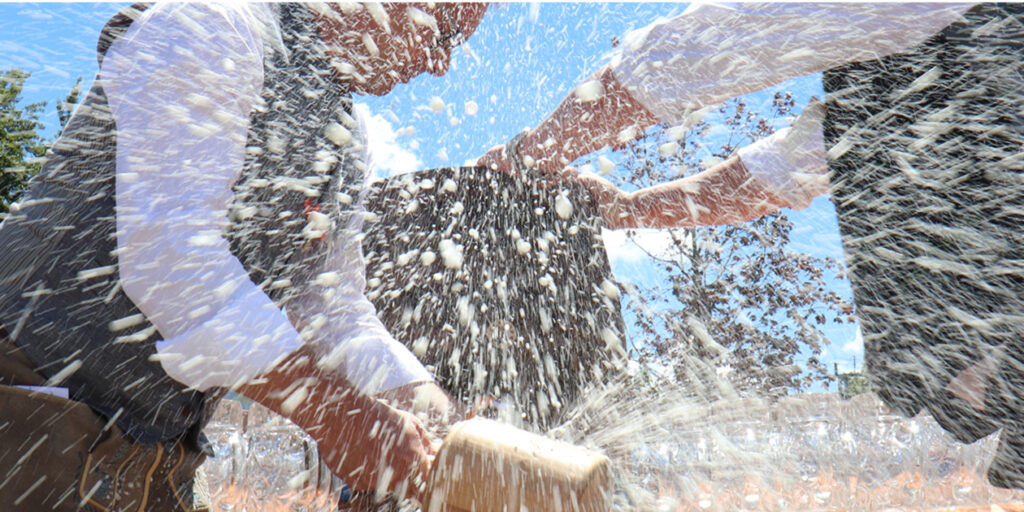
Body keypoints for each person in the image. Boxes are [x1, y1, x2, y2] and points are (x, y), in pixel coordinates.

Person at [479, 2, 1024, 488]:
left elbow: (711, 43)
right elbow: (770, 177)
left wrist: (530, 153)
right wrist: (624, 209)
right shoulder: (901, 95)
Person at [0, 2, 487, 511]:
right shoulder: (217, 22)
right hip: (29, 408)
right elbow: (173, 259)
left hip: (158, 454)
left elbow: (333, 310)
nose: (440, 65)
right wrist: (337, 416)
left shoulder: (348, 139)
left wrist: (432, 415)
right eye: (446, 35)